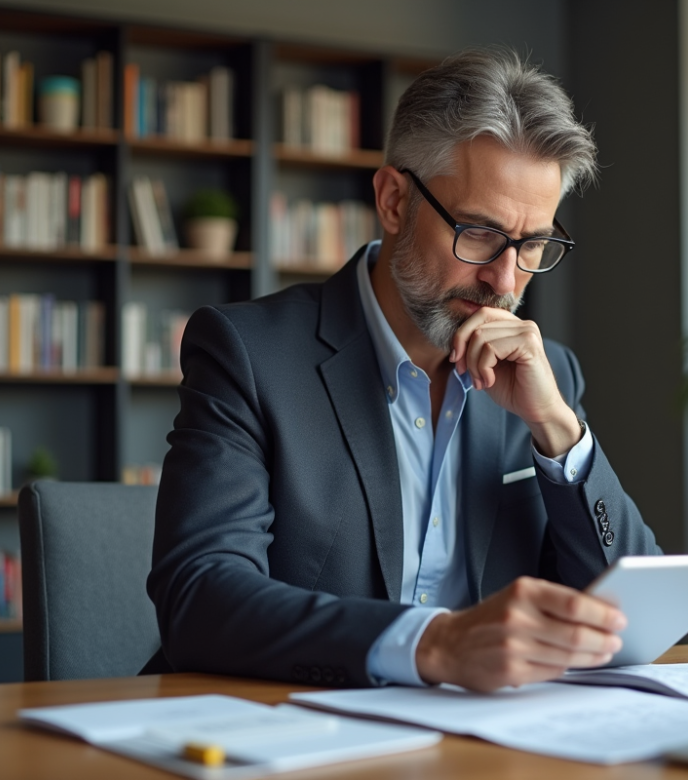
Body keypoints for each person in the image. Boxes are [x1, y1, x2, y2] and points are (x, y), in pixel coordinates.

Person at [146, 47, 661, 693]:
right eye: (479, 233)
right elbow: (200, 597)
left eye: (532, 244)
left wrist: (559, 432)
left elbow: (634, 617)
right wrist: (433, 644)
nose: (505, 281)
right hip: (291, 720)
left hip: (484, 732)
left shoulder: (547, 374)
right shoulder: (248, 354)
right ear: (393, 201)